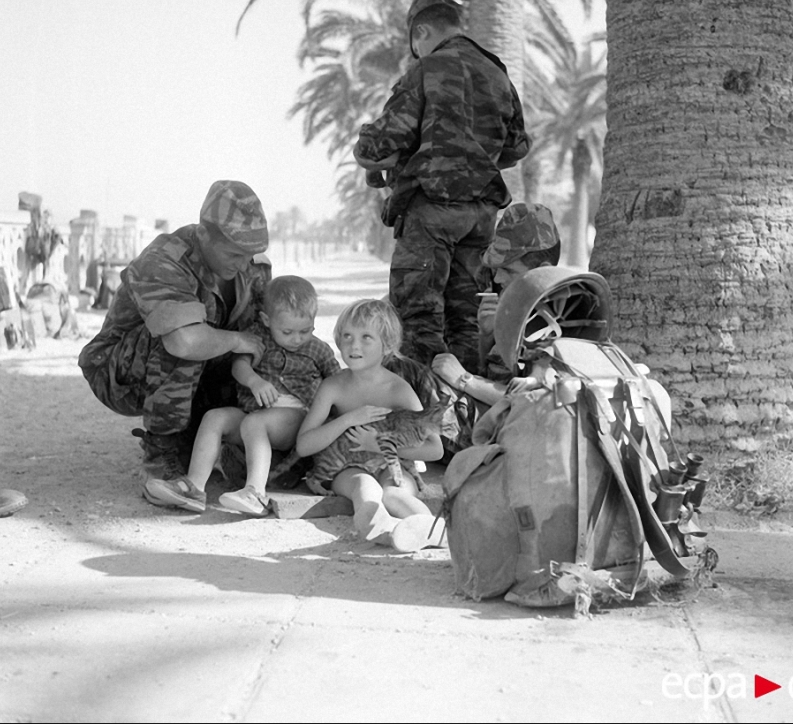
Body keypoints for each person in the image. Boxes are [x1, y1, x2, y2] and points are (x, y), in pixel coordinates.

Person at [354, 0, 531, 375]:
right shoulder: (497, 73)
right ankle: (464, 416)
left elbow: (377, 144)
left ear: (421, 34)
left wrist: (375, 155)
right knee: (466, 322)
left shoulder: (425, 69)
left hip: (430, 213)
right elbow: (517, 148)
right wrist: (473, 156)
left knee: (416, 322)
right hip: (481, 218)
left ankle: (424, 422)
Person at [78, 180, 272, 497]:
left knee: (261, 342)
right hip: (121, 371)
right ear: (204, 234)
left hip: (202, 367)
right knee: (185, 335)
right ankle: (162, 451)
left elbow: (266, 333)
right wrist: (237, 341)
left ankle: (218, 438)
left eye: (249, 254)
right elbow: (185, 343)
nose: (242, 264)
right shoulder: (163, 261)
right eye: (234, 253)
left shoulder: (252, 267)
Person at [144, 275, 341, 515]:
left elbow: (337, 382)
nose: (297, 339)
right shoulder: (257, 338)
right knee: (215, 418)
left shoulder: (317, 349)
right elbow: (239, 365)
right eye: (288, 331)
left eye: (306, 330)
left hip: (296, 419)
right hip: (254, 415)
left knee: (254, 423)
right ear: (266, 320)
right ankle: (194, 487)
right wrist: (255, 382)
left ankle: (255, 492)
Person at [295, 299, 446, 553]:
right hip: (348, 467)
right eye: (347, 336)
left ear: (387, 345)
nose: (354, 345)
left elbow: (435, 449)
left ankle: (434, 531)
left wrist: (379, 447)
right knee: (364, 487)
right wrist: (348, 419)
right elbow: (303, 446)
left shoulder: (398, 390)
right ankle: (383, 532)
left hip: (393, 465)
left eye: (366, 337)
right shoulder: (333, 386)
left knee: (395, 494)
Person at [431, 202, 561, 450]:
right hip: (495, 418)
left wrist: (464, 380)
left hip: (515, 434)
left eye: (507, 270)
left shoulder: (562, 317)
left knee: (422, 387)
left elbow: (537, 402)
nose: (498, 279)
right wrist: (488, 336)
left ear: (541, 270)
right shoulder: (520, 306)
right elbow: (495, 373)